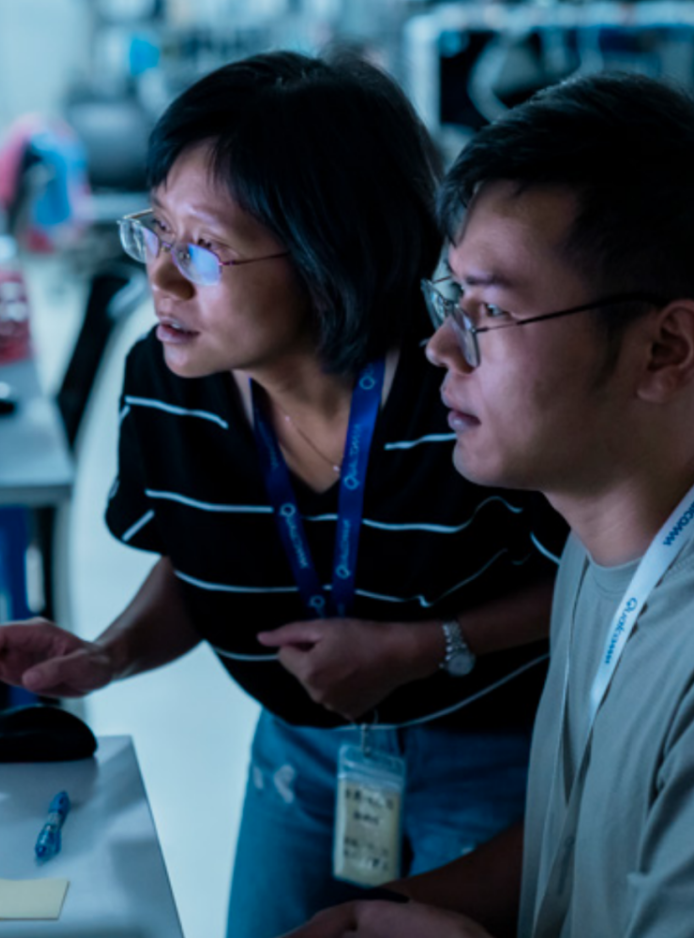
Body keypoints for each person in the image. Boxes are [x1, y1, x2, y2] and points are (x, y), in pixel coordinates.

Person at [0, 50, 564, 936]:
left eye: (201, 249)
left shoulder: (458, 382)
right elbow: (204, 556)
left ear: (327, 252)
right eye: (156, 231)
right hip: (301, 753)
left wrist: (429, 645)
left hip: (489, 755)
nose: (160, 279)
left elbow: (595, 574)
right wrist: (108, 654)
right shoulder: (168, 379)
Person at [288, 70, 694, 938]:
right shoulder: (598, 546)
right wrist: (384, 912)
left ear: (664, 347)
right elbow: (578, 844)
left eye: (490, 311)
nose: (441, 346)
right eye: (450, 300)